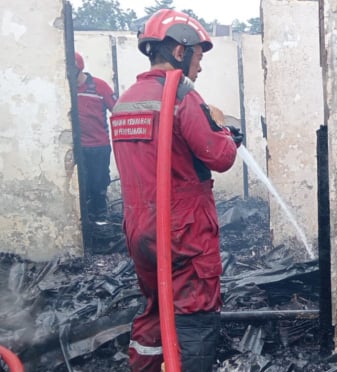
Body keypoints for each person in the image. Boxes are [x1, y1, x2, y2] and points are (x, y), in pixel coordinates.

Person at [109, 9, 244, 372]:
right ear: (180, 51)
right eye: (198, 56)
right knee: (195, 315)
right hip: (184, 232)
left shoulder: (126, 102)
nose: (199, 67)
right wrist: (230, 136)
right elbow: (218, 156)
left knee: (157, 308)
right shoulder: (182, 98)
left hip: (141, 230)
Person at [74, 52, 117, 226]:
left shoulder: (100, 87)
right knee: (81, 188)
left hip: (100, 146)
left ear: (79, 68)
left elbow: (118, 110)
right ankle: (84, 227)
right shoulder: (66, 90)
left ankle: (101, 224)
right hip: (78, 148)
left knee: (99, 185)